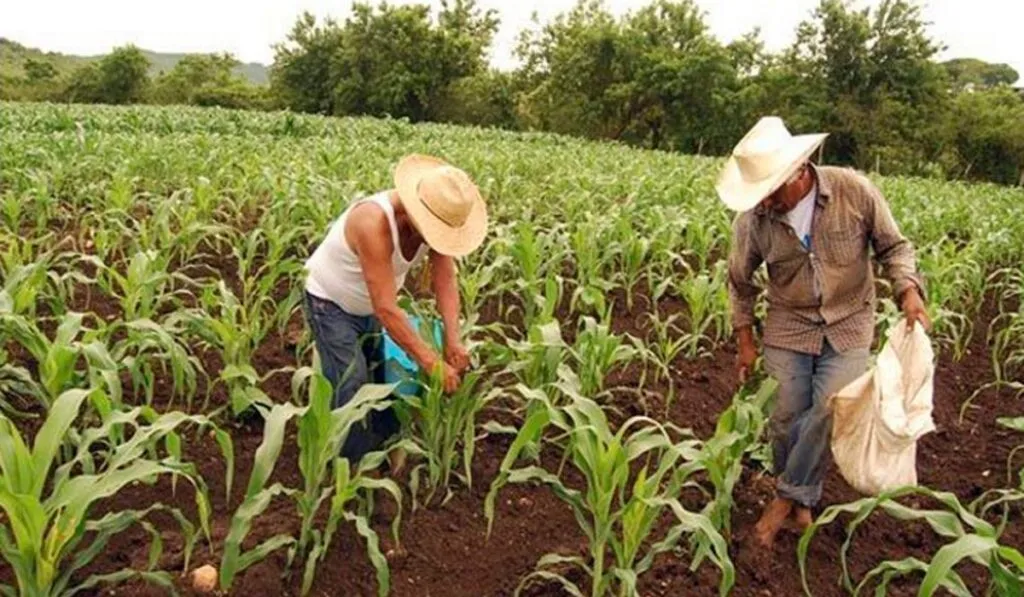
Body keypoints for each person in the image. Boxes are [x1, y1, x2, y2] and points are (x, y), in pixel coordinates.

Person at [717, 116, 930, 548]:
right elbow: (740, 283)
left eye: (770, 191)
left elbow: (894, 246)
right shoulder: (753, 220)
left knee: (829, 408)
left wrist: (907, 289)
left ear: (798, 171)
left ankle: (781, 504)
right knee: (783, 420)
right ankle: (801, 505)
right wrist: (745, 342)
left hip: (850, 320)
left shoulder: (854, 191)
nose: (764, 202)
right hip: (789, 323)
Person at [302, 154, 488, 470]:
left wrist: (453, 342)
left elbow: (444, 280)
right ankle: (349, 474)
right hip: (328, 303)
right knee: (351, 384)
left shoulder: (432, 222)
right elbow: (387, 308)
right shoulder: (373, 223)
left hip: (369, 305)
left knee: (380, 379)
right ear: (417, 212)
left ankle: (380, 449)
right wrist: (431, 362)